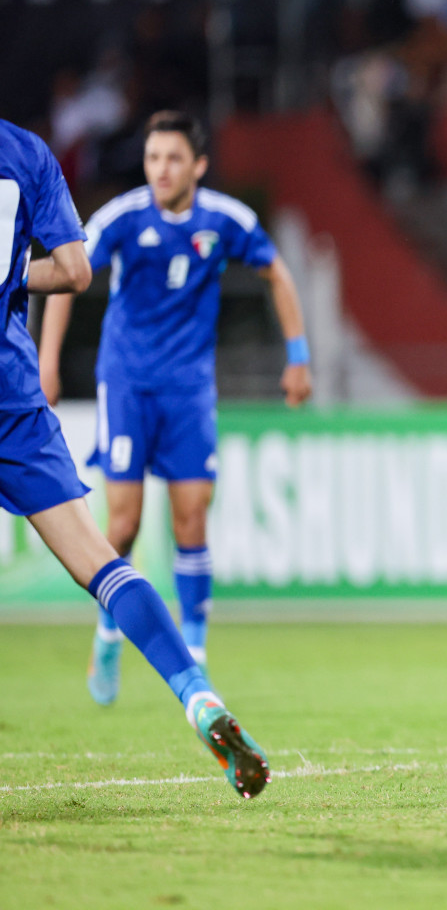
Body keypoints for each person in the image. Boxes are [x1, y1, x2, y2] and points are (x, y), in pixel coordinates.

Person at [0, 117, 268, 797]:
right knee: (102, 559)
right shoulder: (27, 152)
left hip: (157, 388)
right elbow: (73, 269)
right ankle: (197, 693)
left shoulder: (213, 219)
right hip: (11, 396)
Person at [37, 110, 312, 705]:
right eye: (152, 158)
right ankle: (110, 632)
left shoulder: (227, 221)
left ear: (198, 166)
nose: (160, 169)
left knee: (191, 517)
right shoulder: (123, 217)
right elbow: (67, 274)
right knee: (125, 522)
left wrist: (298, 356)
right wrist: (48, 362)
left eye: (172, 159)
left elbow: (278, 275)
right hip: (128, 385)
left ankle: (197, 654)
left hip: (189, 389)